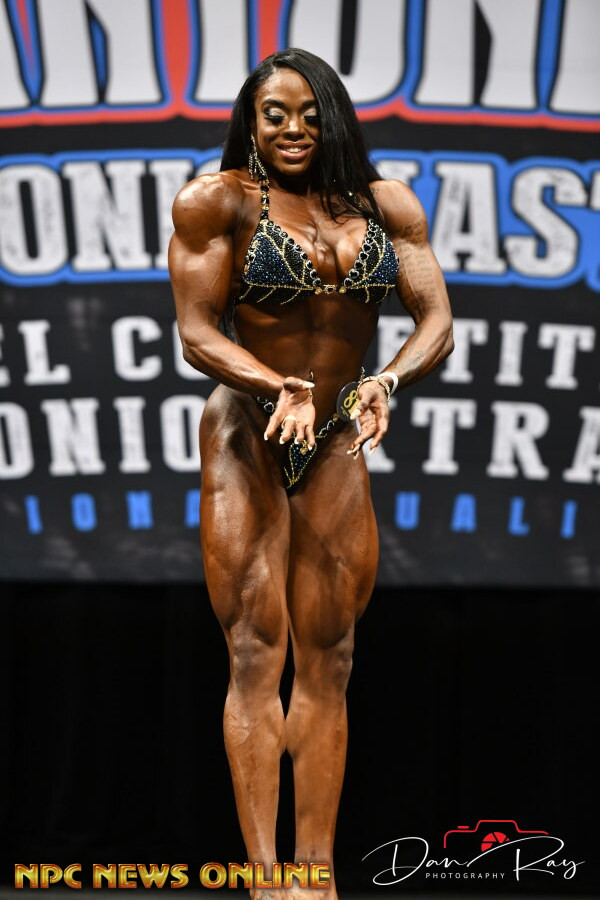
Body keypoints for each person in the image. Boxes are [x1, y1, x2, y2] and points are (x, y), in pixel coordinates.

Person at [169, 48, 453, 899]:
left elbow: (436, 319)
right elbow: (196, 332)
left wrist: (386, 379)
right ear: (251, 123)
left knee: (330, 656)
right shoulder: (215, 201)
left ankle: (316, 878)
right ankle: (266, 882)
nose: (293, 129)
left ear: (333, 117)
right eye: (274, 115)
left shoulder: (386, 205)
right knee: (257, 650)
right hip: (249, 432)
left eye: (309, 113)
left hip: (334, 439)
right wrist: (273, 384)